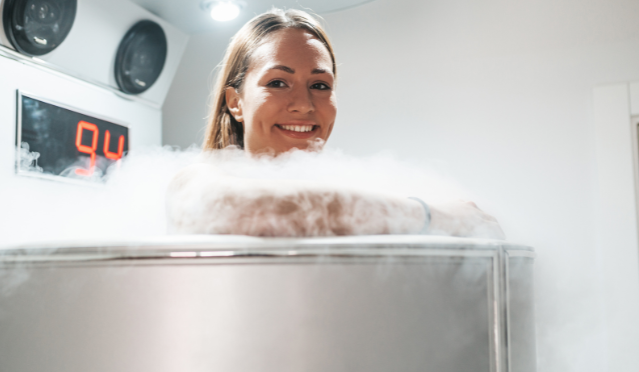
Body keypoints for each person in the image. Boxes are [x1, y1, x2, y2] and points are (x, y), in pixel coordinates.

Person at [166, 9, 504, 239]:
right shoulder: (196, 180)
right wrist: (438, 217)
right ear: (235, 102)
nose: (303, 104)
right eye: (278, 83)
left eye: (320, 86)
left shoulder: (362, 192)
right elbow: (242, 210)